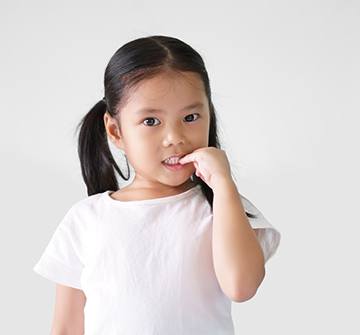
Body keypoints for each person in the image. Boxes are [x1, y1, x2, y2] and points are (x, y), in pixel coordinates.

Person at [33, 35, 281, 335]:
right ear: (115, 130)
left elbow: (241, 286)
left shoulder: (222, 208)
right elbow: (68, 326)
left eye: (190, 117)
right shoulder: (86, 219)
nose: (174, 137)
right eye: (151, 121)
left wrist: (224, 186)